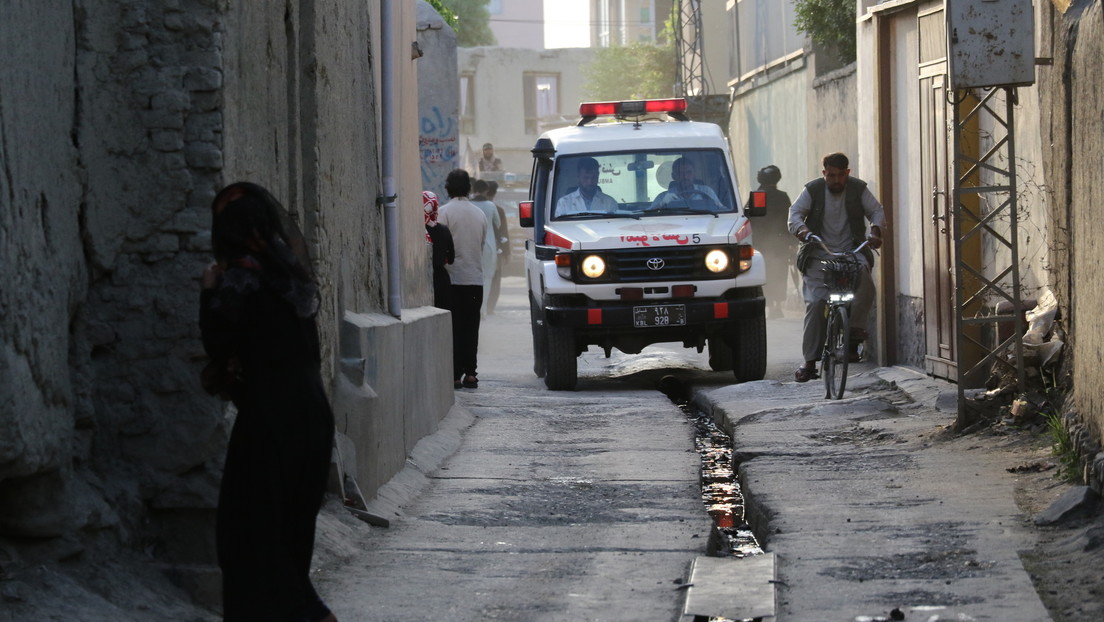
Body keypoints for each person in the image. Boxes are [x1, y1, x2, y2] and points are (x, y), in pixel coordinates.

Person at [198, 182, 338, 622]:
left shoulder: (241, 277)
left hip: (270, 420)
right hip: (312, 415)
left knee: (248, 535)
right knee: (290, 537)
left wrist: (208, 292)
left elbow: (218, 343)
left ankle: (311, 615)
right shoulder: (288, 273)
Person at [788, 153, 886, 383]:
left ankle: (853, 334)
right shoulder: (812, 190)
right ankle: (810, 361)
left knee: (866, 284)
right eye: (831, 175)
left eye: (841, 175)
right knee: (816, 303)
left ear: (847, 173)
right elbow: (794, 215)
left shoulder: (858, 189)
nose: (836, 180)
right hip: (818, 253)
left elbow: (876, 211)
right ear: (824, 173)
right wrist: (803, 231)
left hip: (852, 251)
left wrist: (876, 231)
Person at [438, 169, 487, 389]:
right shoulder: (479, 214)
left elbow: (440, 248)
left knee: (454, 328)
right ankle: (471, 374)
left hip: (452, 280)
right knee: (471, 327)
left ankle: (455, 374)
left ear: (448, 187)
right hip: (475, 279)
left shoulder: (444, 213)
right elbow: (481, 246)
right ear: (469, 188)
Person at [752, 165, 795, 319]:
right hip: (780, 243)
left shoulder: (757, 196)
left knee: (767, 274)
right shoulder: (783, 196)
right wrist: (792, 243)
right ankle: (776, 306)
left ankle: (770, 306)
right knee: (779, 274)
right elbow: (790, 221)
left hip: (762, 244)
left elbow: (751, 220)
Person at [470, 179, 501, 316]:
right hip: (488, 246)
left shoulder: (469, 205)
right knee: (487, 278)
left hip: (471, 245)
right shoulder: (490, 206)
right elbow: (498, 224)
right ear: (487, 190)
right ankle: (483, 310)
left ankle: (473, 308)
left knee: (472, 277)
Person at [555, 157, 619, 216]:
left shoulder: (610, 203)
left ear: (598, 176)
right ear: (578, 176)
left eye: (593, 178)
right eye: (586, 178)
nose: (590, 182)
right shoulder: (564, 203)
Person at [650, 157, 722, 209]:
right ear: (673, 176)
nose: (685, 176)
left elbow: (723, 211)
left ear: (694, 174)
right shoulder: (664, 197)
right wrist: (661, 204)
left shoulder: (706, 192)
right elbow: (647, 216)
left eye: (689, 172)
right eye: (680, 173)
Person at [424, 190, 454, 310]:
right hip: (440, 279)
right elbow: (451, 258)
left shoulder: (414, 228)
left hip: (420, 281)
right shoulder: (443, 230)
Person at [485, 180, 510, 314]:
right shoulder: (498, 210)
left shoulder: (477, 207)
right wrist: (506, 253)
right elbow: (503, 232)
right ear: (494, 194)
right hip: (496, 250)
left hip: (480, 251)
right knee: (495, 280)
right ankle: (490, 308)